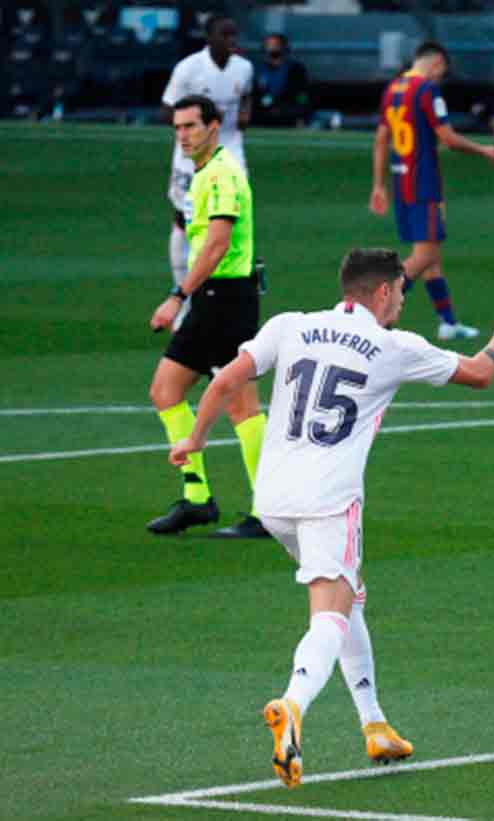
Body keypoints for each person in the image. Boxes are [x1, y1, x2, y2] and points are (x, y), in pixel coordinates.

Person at [167, 248, 494, 787]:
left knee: (350, 593)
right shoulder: (394, 346)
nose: (403, 303)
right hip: (329, 501)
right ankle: (292, 703)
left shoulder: (290, 325)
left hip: (273, 498)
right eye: (401, 292)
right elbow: (481, 372)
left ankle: (375, 724)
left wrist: (196, 439)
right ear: (384, 291)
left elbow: (224, 381)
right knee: (329, 614)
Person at [147, 95, 269, 540]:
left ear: (214, 127)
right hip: (213, 299)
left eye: (191, 126)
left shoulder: (222, 174)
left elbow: (218, 244)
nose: (182, 135)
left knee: (242, 406)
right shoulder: (203, 173)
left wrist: (177, 296)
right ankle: (198, 497)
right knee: (166, 390)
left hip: (227, 300)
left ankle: (268, 508)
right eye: (177, 128)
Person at [369, 41, 494, 341]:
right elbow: (448, 138)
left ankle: (448, 322)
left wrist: (378, 185)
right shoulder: (427, 90)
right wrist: (483, 150)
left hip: (402, 183)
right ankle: (377, 315)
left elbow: (380, 140)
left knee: (431, 256)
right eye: (442, 71)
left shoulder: (393, 89)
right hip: (423, 183)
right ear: (437, 63)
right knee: (425, 256)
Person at [161, 16, 253, 328]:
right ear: (209, 37)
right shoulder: (188, 69)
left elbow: (246, 96)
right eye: (224, 34)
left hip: (231, 151)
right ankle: (183, 296)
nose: (231, 40)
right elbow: (168, 108)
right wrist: (195, 126)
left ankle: (215, 290)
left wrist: (244, 113)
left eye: (233, 34)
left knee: (228, 223)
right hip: (190, 157)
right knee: (184, 219)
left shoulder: (244, 68)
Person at [253, 33, 312, 127]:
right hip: (263, 113)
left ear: (284, 47)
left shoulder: (296, 69)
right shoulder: (258, 70)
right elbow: (256, 95)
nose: (272, 48)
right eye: (269, 45)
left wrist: (301, 112)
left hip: (288, 112)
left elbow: (302, 95)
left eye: (276, 44)